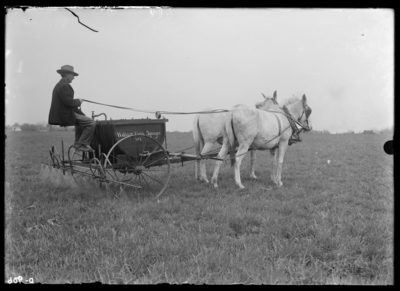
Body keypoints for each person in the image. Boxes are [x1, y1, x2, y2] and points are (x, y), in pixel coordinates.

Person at [48, 65, 96, 152]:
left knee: (84, 121)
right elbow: (68, 102)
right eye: (72, 75)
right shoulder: (63, 86)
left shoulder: (62, 85)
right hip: (65, 114)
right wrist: (78, 101)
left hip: (66, 112)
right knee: (92, 123)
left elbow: (68, 102)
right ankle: (81, 144)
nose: (73, 78)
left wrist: (82, 114)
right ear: (67, 75)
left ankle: (78, 143)